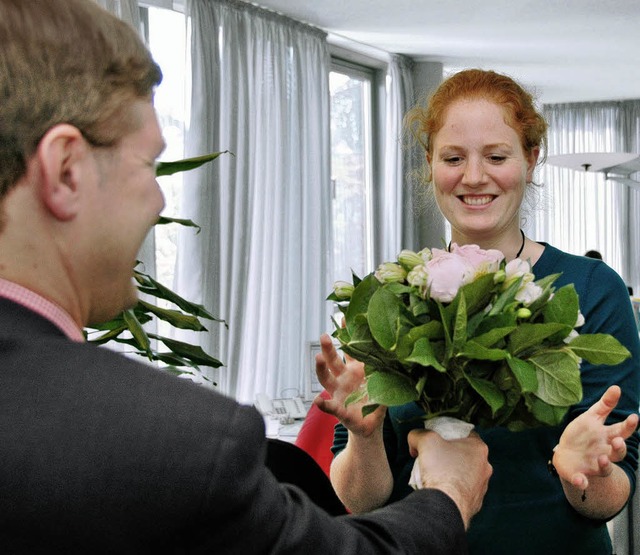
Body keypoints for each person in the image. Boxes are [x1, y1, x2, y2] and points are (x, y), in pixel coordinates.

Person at [0, 1, 493, 553]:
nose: (159, 198)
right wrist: (448, 491)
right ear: (66, 169)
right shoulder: (170, 441)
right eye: (149, 167)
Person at [315, 69, 640, 554]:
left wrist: (584, 475)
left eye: (496, 156)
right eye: (453, 157)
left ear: (530, 160)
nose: (473, 176)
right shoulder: (391, 298)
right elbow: (359, 502)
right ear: (430, 163)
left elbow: (611, 495)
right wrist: (364, 435)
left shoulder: (592, 290)